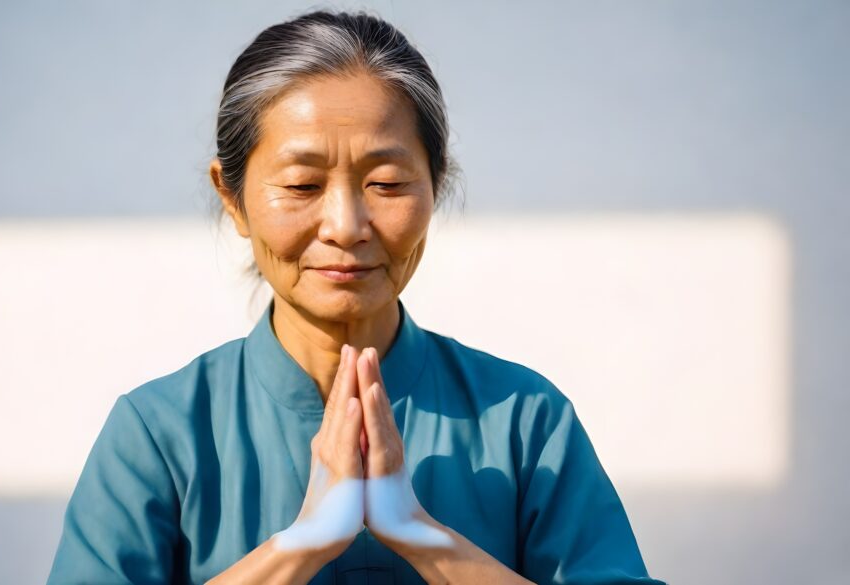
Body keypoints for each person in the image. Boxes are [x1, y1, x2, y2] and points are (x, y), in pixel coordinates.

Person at [47, 9, 665, 585]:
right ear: (231, 197)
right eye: (302, 183)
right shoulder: (158, 434)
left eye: (386, 182)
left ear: (436, 184)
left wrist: (420, 535)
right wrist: (304, 543)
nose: (345, 225)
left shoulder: (525, 421)